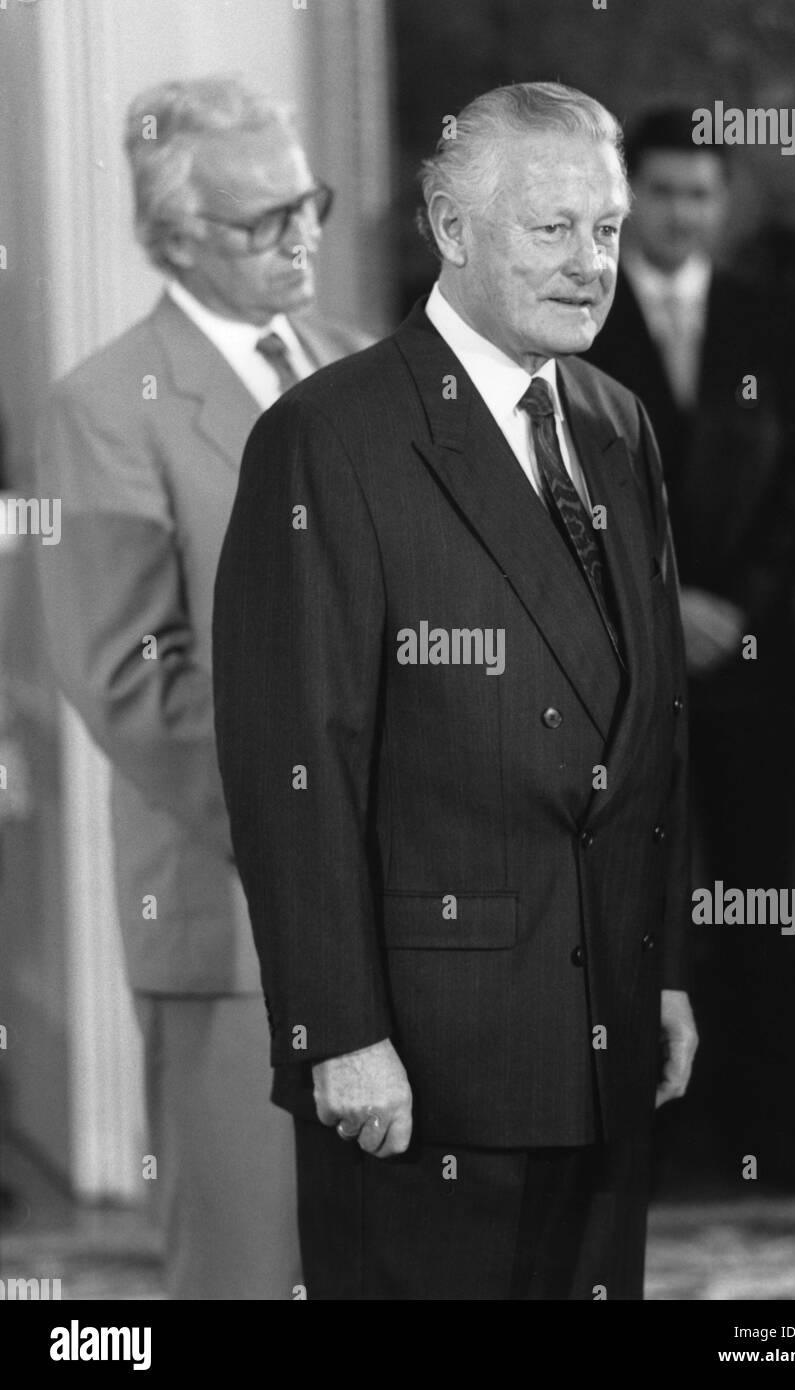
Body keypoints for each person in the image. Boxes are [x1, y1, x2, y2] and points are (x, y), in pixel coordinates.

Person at [213, 81, 696, 1301]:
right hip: (423, 1063)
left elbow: (658, 725)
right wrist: (339, 1032)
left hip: (607, 1035)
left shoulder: (617, 423)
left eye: (607, 231)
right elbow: (291, 760)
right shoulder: (328, 437)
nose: (592, 265)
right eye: (554, 230)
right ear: (451, 227)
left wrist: (671, 965)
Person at [35, 76, 370, 1299]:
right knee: (246, 1271)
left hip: (412, 909)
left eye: (310, 201)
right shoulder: (104, 404)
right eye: (263, 218)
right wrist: (318, 839)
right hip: (234, 916)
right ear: (175, 238)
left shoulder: (361, 366)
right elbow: (128, 677)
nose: (304, 236)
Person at [582, 108, 795, 1185]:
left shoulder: (769, 320)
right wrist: (663, 606)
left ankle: (776, 1132)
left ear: (723, 205)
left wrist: (732, 606)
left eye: (701, 193)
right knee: (632, 893)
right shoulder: (577, 314)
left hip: (751, 662)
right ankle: (644, 1129)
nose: (682, 212)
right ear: (631, 197)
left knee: (760, 889)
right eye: (665, 190)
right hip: (618, 668)